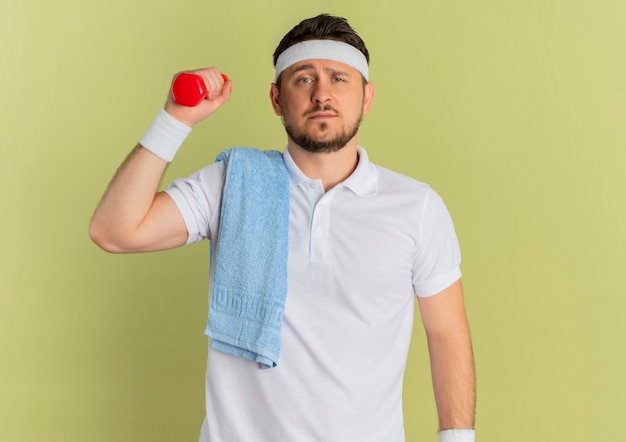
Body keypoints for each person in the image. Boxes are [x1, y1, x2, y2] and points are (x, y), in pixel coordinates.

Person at [89, 13, 476, 442]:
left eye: (339, 79)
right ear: (276, 99)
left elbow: (447, 336)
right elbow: (113, 231)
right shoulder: (231, 184)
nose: (322, 94)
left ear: (367, 97)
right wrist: (175, 119)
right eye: (304, 79)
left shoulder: (417, 207)